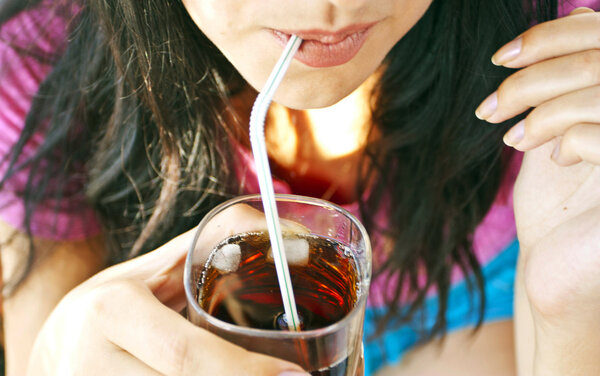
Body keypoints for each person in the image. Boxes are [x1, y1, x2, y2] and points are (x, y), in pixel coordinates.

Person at [1, 0, 599, 374]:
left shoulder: (569, 42)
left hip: (473, 293)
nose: (327, 5)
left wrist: (571, 309)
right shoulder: (39, 78)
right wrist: (50, 361)